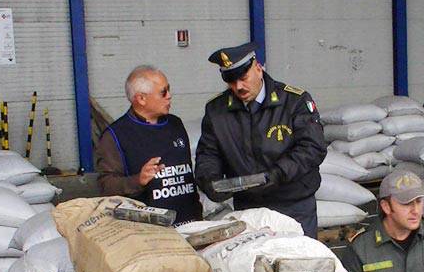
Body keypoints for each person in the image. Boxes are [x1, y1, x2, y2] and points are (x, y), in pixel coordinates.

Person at [195, 42, 327, 238]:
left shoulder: (294, 101)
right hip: (249, 207)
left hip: (293, 204)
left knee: (299, 263)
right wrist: (210, 181)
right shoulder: (217, 110)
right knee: (253, 265)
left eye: (243, 77)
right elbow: (208, 154)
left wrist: (277, 174)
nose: (238, 87)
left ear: (258, 68)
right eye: (231, 82)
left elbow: (312, 148)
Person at [95, 65, 202, 225]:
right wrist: (138, 180)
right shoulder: (116, 135)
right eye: (163, 92)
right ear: (141, 99)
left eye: (169, 89)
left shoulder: (175, 124)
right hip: (150, 231)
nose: (169, 96)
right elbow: (106, 185)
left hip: (191, 223)